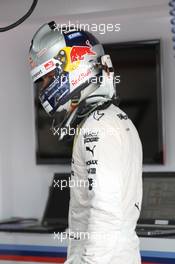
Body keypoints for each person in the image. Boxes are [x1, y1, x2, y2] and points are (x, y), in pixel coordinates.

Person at [28, 21, 143, 264]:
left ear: (74, 68)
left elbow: (105, 214)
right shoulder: (109, 119)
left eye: (47, 78)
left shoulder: (97, 128)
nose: (44, 89)